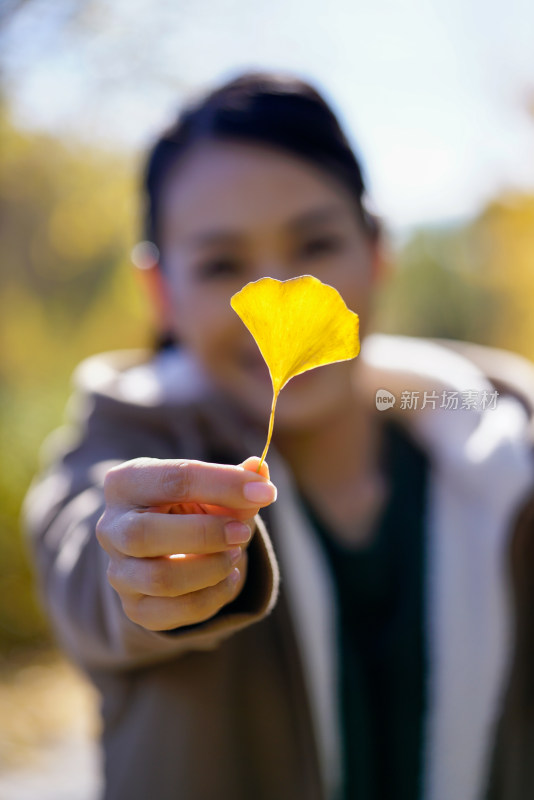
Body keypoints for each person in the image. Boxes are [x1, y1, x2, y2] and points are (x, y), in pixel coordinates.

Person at [23, 70, 534, 800]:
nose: (276, 285)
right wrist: (149, 568)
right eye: (221, 264)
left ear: (377, 251)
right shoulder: (118, 442)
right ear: (160, 292)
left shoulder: (510, 454)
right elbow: (84, 556)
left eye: (317, 243)